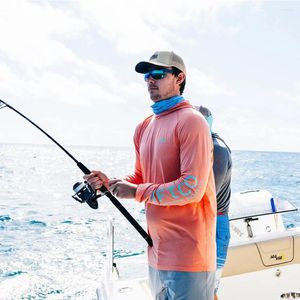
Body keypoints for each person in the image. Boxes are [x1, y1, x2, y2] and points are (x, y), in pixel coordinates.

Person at [84, 51, 217, 300]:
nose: (150, 80)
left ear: (179, 78)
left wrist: (136, 192)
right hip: (156, 252)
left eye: (158, 74)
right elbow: (139, 176)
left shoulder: (192, 121)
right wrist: (109, 184)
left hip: (190, 256)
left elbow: (191, 188)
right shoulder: (144, 126)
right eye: (146, 76)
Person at [196, 105, 232, 300]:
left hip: (215, 227)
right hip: (205, 224)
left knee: (208, 290)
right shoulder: (204, 146)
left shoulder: (217, 150)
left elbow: (206, 197)